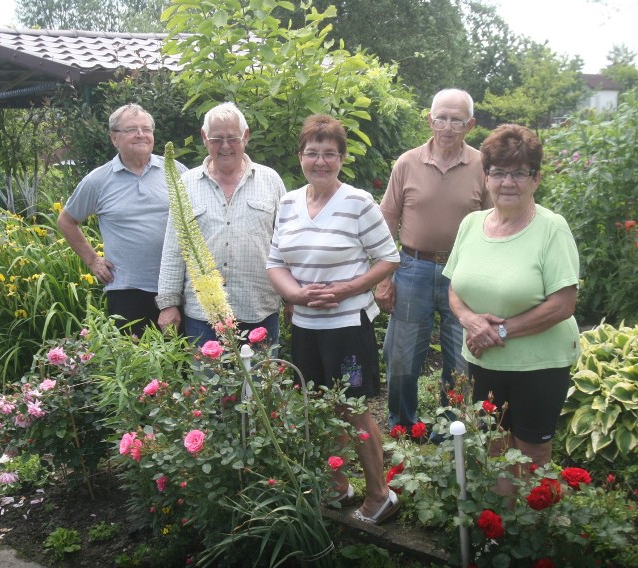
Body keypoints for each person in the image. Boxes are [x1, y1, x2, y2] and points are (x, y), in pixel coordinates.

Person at [266, 114, 400, 525]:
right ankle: (338, 485)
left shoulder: (358, 203)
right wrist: (293, 294)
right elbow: (275, 262)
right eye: (312, 153)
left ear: (342, 158)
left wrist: (345, 289)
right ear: (300, 157)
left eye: (329, 153)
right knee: (320, 409)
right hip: (306, 327)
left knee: (354, 410)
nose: (320, 161)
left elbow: (389, 258)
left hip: (347, 326)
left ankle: (380, 496)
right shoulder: (288, 203)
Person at [443, 124, 580, 491]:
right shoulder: (471, 224)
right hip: (482, 360)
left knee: (532, 452)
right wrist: (470, 320)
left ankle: (532, 537)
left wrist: (498, 331)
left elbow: (563, 304)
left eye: (519, 173)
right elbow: (454, 287)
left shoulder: (552, 229)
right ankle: (500, 534)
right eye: (499, 172)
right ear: (486, 176)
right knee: (494, 447)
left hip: (538, 365)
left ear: (535, 179)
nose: (508, 182)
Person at [377, 88, 491, 431]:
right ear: (429, 119)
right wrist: (384, 277)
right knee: (401, 357)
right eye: (441, 117)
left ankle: (450, 430)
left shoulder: (483, 166)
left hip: (465, 273)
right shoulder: (407, 162)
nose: (447, 126)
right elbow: (387, 219)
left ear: (470, 125)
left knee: (461, 359)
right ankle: (402, 425)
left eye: (457, 120)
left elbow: (493, 223)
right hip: (413, 267)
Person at [157, 102, 286, 347]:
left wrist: (292, 299)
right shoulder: (186, 184)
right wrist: (168, 303)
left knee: (261, 384)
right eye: (216, 139)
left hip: (259, 309)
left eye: (232, 138)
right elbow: (174, 248)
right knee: (207, 385)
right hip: (202, 316)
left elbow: (286, 245)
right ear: (205, 138)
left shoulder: (271, 180)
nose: (225, 146)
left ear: (245, 137)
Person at [58, 104, 187, 337]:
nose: (141, 134)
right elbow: (66, 221)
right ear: (114, 138)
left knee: (182, 365)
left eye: (146, 129)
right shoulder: (98, 180)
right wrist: (92, 260)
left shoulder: (175, 171)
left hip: (176, 287)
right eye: (131, 129)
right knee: (133, 364)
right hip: (127, 290)